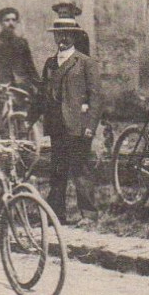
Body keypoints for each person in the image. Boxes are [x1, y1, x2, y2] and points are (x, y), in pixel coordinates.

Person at [40, 16, 99, 225]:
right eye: (58, 34)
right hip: (56, 125)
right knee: (57, 170)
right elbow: (43, 94)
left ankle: (89, 215)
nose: (62, 38)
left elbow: (95, 97)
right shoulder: (50, 62)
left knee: (80, 169)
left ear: (74, 36)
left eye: (67, 33)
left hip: (77, 125)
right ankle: (56, 215)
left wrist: (91, 125)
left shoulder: (85, 62)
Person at [0, 7, 39, 88]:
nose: (11, 23)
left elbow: (30, 66)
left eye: (13, 20)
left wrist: (40, 86)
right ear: (0, 22)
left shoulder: (22, 42)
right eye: (7, 20)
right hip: (1, 86)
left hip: (22, 85)